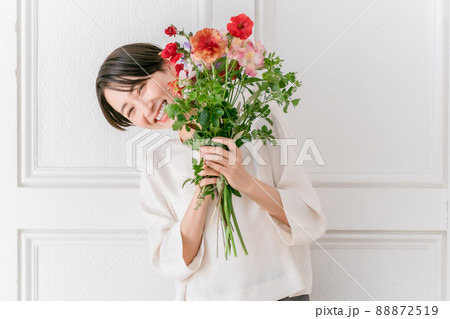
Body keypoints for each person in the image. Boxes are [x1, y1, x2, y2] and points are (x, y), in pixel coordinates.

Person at [95, 42, 327, 301]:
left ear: (169, 64)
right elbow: (172, 261)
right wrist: (201, 193)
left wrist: (245, 182)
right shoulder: (156, 165)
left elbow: (306, 221)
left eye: (140, 88)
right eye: (131, 110)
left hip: (281, 294)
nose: (146, 109)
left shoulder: (256, 120)